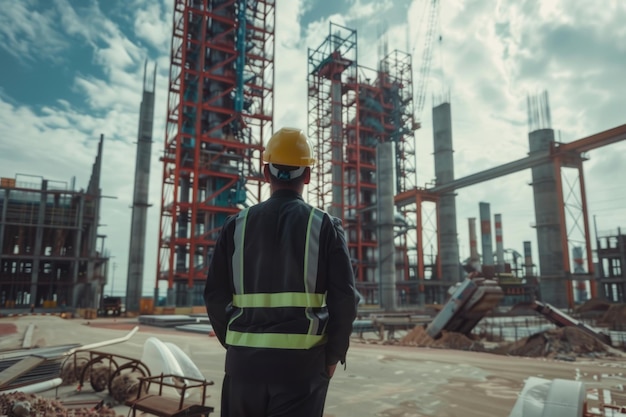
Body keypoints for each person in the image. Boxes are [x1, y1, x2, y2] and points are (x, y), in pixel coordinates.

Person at [204, 127, 359, 417]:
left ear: (266, 173)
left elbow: (214, 296)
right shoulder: (324, 226)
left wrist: (237, 345)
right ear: (308, 175)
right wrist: (333, 356)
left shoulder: (235, 226)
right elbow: (345, 300)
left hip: (243, 367)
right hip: (301, 369)